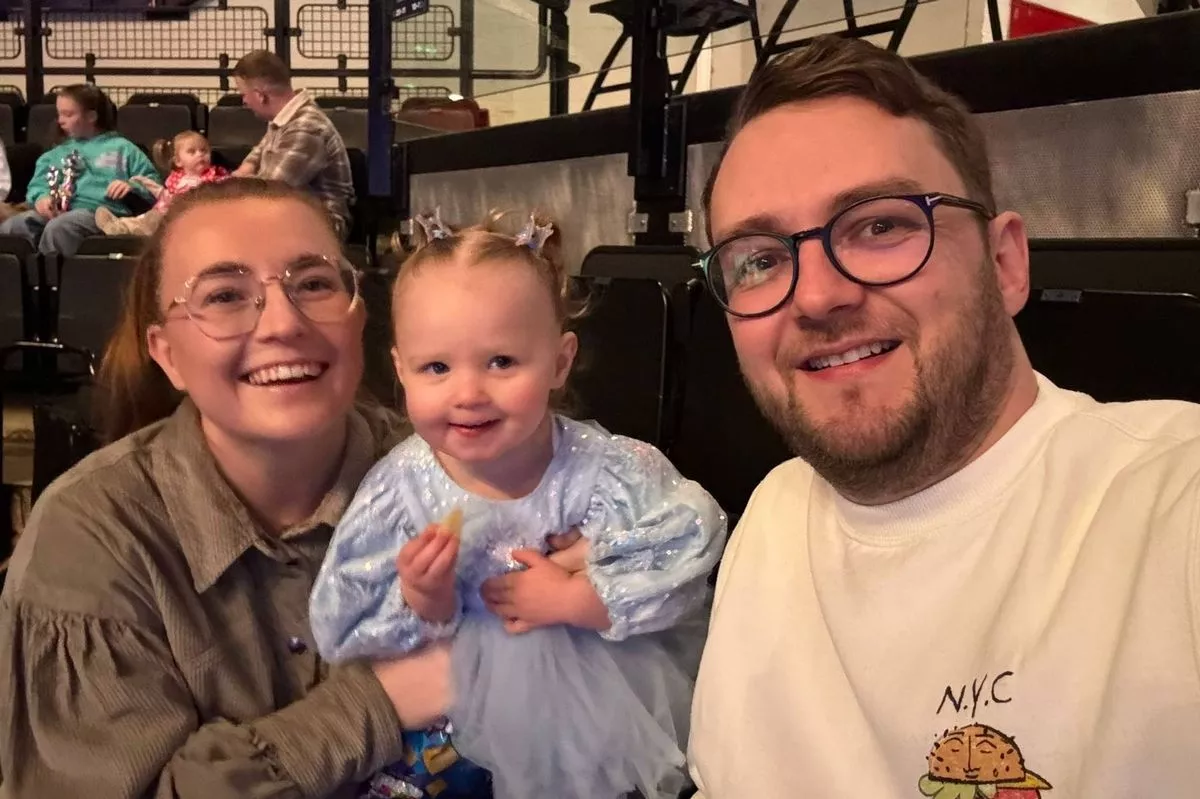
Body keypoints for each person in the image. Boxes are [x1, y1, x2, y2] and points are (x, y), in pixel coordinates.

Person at [687, 35, 1200, 798]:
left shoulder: (1172, 504)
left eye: (881, 224)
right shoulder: (771, 517)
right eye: (759, 258)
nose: (819, 296)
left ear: (1005, 263)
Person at [0, 179, 456, 797]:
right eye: (223, 295)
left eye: (314, 283)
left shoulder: (464, 472)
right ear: (167, 355)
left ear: (359, 318)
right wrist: (377, 703)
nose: (284, 323)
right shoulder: (91, 540)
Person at [309, 211, 727, 799]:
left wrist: (582, 596)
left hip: (592, 695)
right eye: (436, 367)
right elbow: (344, 619)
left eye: (502, 361)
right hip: (454, 698)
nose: (469, 392)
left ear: (559, 361)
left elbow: (688, 538)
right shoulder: (399, 488)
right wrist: (426, 598)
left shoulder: (600, 469)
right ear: (401, 369)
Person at [0, 84, 159, 254]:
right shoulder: (54, 154)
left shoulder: (123, 149)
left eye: (68, 114)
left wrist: (131, 186)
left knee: (60, 228)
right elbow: (38, 185)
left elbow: (154, 185)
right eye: (59, 114)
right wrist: (41, 199)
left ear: (91, 116)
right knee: (13, 226)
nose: (60, 120)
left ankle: (56, 278)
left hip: (99, 213)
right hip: (56, 212)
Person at [230, 50, 354, 238]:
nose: (244, 101)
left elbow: (271, 191)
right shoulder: (284, 120)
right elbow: (256, 156)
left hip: (323, 223)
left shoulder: (306, 127)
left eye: (244, 94)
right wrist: (245, 170)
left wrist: (231, 188)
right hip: (292, 211)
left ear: (260, 95)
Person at [97, 129, 228, 236]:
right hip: (164, 213)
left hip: (191, 216)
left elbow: (225, 192)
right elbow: (165, 195)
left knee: (156, 220)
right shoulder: (176, 179)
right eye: (192, 152)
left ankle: (136, 230)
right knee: (146, 218)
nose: (200, 154)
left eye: (204, 150)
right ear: (178, 161)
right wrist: (144, 183)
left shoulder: (216, 176)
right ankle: (118, 227)